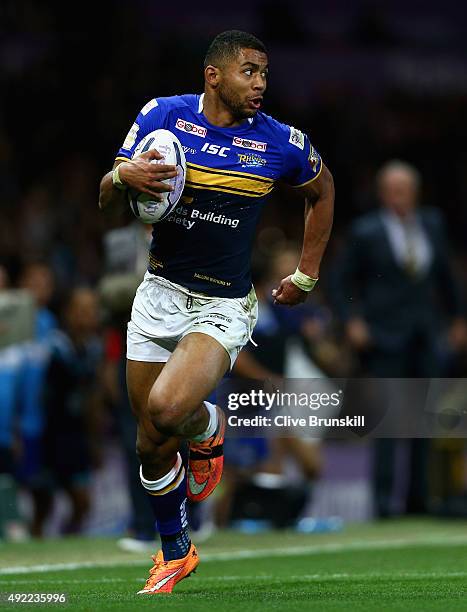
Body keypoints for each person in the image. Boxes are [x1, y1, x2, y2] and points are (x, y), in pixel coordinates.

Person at [98, 30, 334, 594]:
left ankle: (206, 422)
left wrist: (306, 273)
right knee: (150, 438)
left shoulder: (280, 141)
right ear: (213, 75)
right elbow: (108, 201)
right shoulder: (163, 116)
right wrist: (119, 176)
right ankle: (176, 551)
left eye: (265, 74)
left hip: (222, 304)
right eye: (249, 72)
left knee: (166, 406)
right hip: (158, 293)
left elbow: (323, 192)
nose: (260, 84)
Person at [332, 160, 466, 517]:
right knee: (388, 420)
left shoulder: (432, 223)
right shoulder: (366, 230)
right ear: (382, 193)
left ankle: (419, 499)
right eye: (392, 190)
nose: (399, 197)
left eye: (404, 190)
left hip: (427, 333)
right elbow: (340, 280)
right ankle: (383, 501)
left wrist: (458, 318)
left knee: (424, 418)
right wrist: (351, 320)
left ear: (415, 192)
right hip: (384, 336)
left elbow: (446, 276)